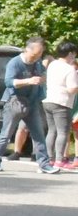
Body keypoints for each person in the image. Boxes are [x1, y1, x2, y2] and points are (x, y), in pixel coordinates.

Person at [0, 35, 59, 174]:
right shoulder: (15, 63)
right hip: (15, 101)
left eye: (40, 53)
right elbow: (8, 82)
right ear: (27, 49)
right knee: (6, 134)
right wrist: (28, 81)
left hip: (32, 102)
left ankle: (44, 164)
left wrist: (43, 78)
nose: (37, 56)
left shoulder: (38, 62)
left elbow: (42, 74)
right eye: (35, 53)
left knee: (38, 134)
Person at [44, 40, 77, 169]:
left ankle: (49, 158)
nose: (74, 57)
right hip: (62, 102)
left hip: (49, 100)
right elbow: (72, 89)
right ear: (69, 54)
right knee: (63, 132)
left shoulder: (53, 65)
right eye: (74, 54)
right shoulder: (70, 69)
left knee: (52, 130)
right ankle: (59, 160)